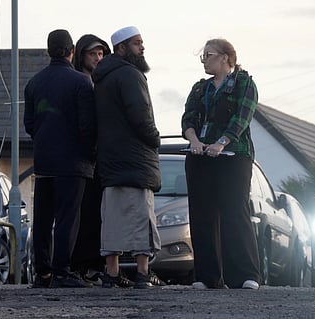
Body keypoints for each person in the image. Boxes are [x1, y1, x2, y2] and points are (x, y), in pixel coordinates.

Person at [181, 38, 261, 289]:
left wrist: (222, 143)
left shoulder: (243, 83)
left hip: (233, 156)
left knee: (234, 212)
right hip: (201, 156)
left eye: (208, 55)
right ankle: (207, 276)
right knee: (202, 214)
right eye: (202, 56)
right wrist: (194, 140)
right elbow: (188, 118)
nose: (204, 60)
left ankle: (245, 275)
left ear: (225, 58)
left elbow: (242, 117)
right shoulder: (199, 88)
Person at [24, 29, 96, 288]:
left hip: (44, 160)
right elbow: (87, 125)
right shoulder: (81, 83)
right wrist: (90, 154)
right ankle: (62, 271)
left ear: (48, 51)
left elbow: (29, 124)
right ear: (72, 51)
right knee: (68, 217)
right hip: (73, 162)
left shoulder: (34, 83)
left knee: (43, 219)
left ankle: (42, 273)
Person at [92, 26, 162, 289]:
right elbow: (140, 115)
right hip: (135, 159)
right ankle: (143, 273)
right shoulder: (131, 75)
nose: (142, 48)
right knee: (141, 216)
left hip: (111, 159)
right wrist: (154, 138)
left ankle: (112, 273)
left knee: (112, 218)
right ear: (121, 47)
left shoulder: (102, 77)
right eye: (137, 43)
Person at [70, 34, 113, 286]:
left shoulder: (104, 83)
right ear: (80, 56)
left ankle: (94, 265)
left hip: (101, 159)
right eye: (92, 54)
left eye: (100, 54)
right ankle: (80, 265)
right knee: (80, 214)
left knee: (98, 214)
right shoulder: (77, 82)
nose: (97, 58)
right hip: (80, 157)